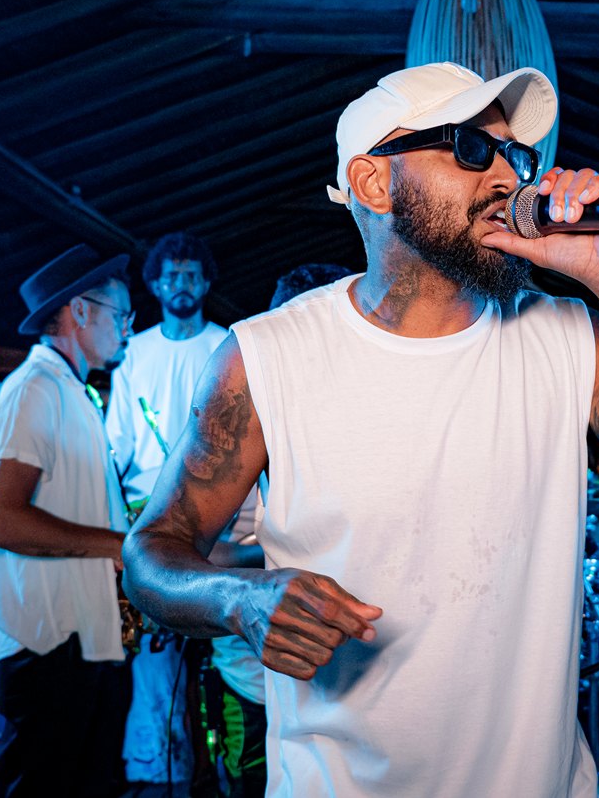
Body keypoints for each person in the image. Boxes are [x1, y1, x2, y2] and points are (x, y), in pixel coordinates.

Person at [123, 61, 599, 797]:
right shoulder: (265, 359)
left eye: (517, 155)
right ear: (374, 184)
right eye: (474, 148)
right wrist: (239, 601)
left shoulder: (569, 341)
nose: (508, 176)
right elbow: (150, 555)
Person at [0, 245, 134, 798]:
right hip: (48, 644)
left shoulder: (74, 390)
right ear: (82, 311)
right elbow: (1, 520)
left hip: (81, 637)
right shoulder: (35, 388)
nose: (127, 330)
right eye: (122, 315)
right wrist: (119, 543)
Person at [199, 262, 352, 798]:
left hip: (334, 685)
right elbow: (206, 557)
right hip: (252, 675)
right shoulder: (244, 415)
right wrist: (278, 563)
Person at [105, 231, 227, 787]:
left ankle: (218, 770)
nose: (182, 284)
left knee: (222, 660)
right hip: (146, 517)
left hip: (221, 520)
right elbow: (119, 445)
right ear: (154, 284)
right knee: (155, 665)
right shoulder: (132, 353)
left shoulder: (228, 345)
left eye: (191, 275)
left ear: (206, 282)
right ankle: (158, 772)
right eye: (171, 275)